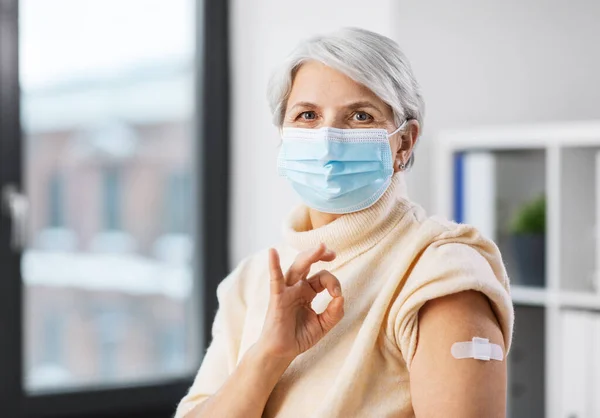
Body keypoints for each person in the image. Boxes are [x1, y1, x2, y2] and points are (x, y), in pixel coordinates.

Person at [175, 27, 513, 418]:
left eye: (360, 116)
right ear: (283, 137)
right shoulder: (252, 281)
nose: (328, 139)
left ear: (404, 142)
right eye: (307, 115)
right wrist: (268, 354)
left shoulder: (439, 274)